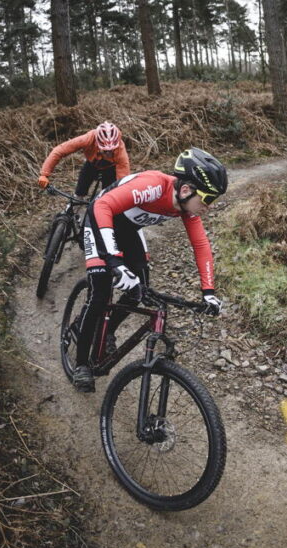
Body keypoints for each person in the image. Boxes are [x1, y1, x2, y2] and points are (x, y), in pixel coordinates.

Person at [72, 147, 227, 392]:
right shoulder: (153, 185)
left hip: (128, 230)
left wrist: (208, 291)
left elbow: (201, 245)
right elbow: (101, 206)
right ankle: (81, 364)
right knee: (100, 294)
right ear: (186, 190)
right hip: (100, 219)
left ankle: (108, 331)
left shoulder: (186, 207)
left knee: (139, 290)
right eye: (208, 199)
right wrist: (115, 262)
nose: (209, 206)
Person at [38, 121, 131, 197]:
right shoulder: (88, 138)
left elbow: (123, 179)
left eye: (112, 150)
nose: (109, 153)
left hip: (110, 168)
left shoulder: (120, 151)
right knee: (79, 192)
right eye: (106, 151)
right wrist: (44, 174)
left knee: (108, 196)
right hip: (91, 165)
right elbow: (59, 150)